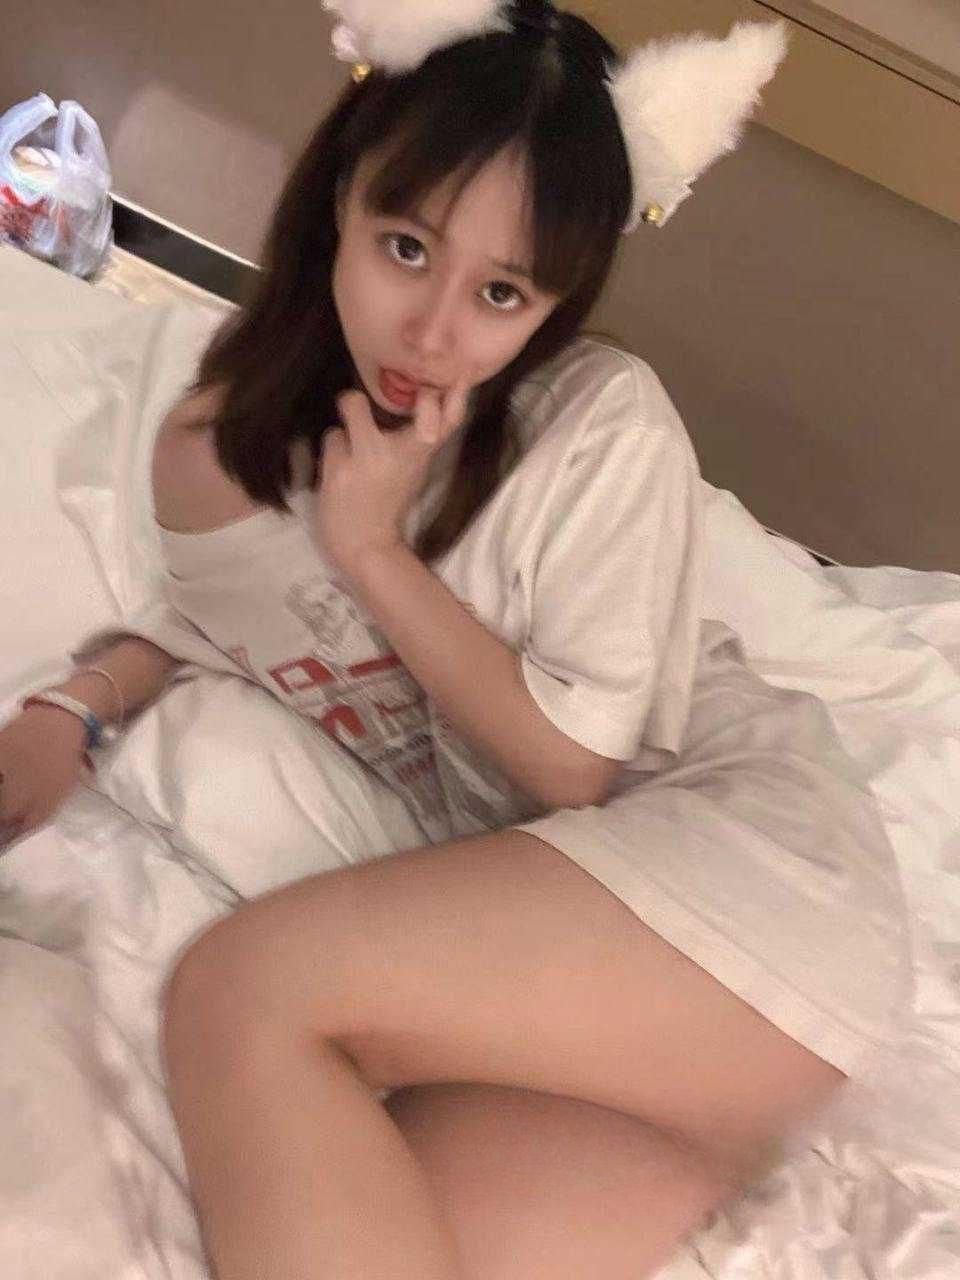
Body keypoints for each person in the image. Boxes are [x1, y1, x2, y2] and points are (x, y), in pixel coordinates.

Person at [0, 2, 908, 1276]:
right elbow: (226, 616)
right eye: (406, 246)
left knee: (242, 988)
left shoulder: (597, 425)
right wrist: (76, 706)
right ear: (340, 200)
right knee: (366, 1218)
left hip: (750, 871)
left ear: (553, 306)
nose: (433, 332)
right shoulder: (221, 450)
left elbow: (574, 767)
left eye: (500, 291)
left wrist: (375, 550)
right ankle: (704, 1130)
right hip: (669, 1044)